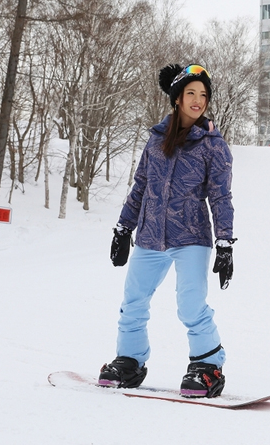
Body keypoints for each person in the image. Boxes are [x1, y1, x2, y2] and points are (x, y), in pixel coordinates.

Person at [99, 63, 236, 397]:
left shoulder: (213, 145)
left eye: (203, 95)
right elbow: (140, 187)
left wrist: (225, 242)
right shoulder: (156, 140)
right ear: (177, 98)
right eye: (191, 93)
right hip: (149, 235)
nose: (198, 100)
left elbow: (221, 196)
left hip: (191, 235)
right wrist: (122, 228)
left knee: (190, 304)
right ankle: (130, 361)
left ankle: (208, 366)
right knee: (133, 300)